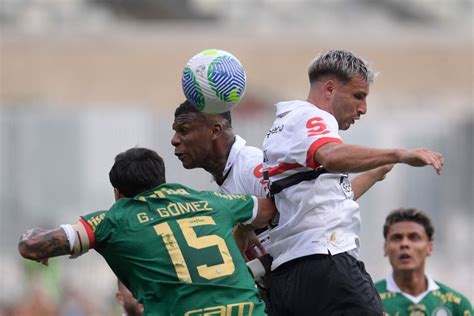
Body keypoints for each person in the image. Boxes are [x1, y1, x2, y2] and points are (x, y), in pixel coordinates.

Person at [257, 49, 444, 315]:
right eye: (358, 96)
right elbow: (331, 156)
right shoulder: (310, 117)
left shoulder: (284, 126)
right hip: (328, 263)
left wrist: (375, 172)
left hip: (292, 275)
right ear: (330, 89)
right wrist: (399, 153)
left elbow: (319, 202)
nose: (363, 108)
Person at [18, 147, 276, 315]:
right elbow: (269, 208)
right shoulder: (211, 201)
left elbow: (31, 245)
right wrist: (243, 228)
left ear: (117, 194)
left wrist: (37, 242)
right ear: (160, 180)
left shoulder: (114, 219)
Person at [375, 208, 472, 316]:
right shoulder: (369, 300)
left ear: (429, 248)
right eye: (397, 238)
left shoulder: (456, 304)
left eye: (414, 237)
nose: (404, 244)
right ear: (385, 248)